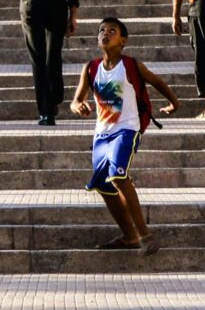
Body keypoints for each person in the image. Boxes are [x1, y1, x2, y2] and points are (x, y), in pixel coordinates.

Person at [70, 16, 178, 251]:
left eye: (112, 30)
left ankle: (145, 236)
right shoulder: (91, 68)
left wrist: (174, 103)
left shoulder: (131, 65)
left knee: (118, 174)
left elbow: (156, 81)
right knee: (103, 185)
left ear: (123, 40)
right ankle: (129, 236)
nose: (105, 34)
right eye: (101, 31)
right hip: (102, 134)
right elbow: (76, 99)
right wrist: (78, 106)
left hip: (127, 129)